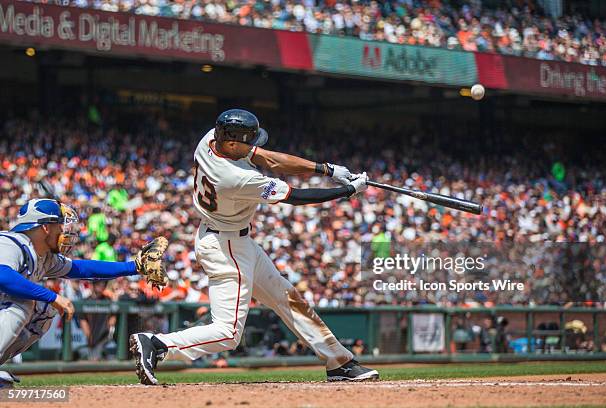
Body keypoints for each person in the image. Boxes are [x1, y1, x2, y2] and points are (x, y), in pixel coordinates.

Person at [130, 109, 379, 384]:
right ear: (233, 143)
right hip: (226, 249)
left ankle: (338, 362)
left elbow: (269, 158)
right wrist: (348, 191)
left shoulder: (210, 140)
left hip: (231, 239)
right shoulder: (236, 178)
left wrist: (326, 169)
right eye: (249, 141)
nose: (255, 146)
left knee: (286, 296)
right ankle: (158, 344)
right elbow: (296, 197)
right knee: (227, 333)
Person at [0, 198, 166, 388]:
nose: (63, 231)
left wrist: (134, 266)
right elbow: (3, 276)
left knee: (44, 310)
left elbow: (83, 269)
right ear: (45, 227)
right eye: (59, 225)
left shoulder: (42, 255)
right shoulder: (9, 243)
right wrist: (52, 296)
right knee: (25, 302)